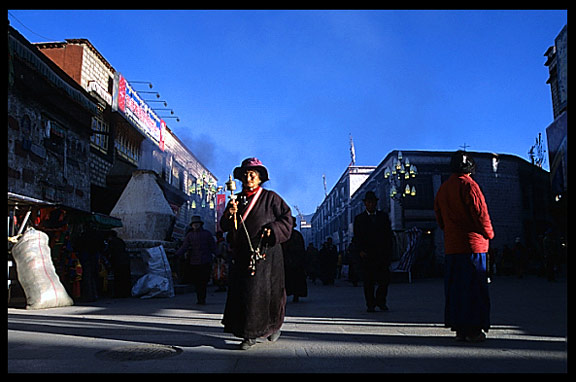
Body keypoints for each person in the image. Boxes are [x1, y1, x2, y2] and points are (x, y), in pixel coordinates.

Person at [220, 157, 293, 350]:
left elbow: (287, 218)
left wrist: (273, 228)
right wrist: (230, 214)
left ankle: (262, 330)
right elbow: (225, 226)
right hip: (242, 253)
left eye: (253, 174)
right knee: (244, 293)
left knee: (263, 292)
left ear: (260, 178)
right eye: (245, 174)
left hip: (265, 253)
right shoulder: (235, 200)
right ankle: (245, 330)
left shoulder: (271, 198)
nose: (249, 177)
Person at [434, 150, 494, 342]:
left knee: (456, 290)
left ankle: (460, 329)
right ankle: (475, 330)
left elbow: (440, 219)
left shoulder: (443, 189)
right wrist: (489, 234)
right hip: (472, 247)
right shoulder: (469, 185)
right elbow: (480, 214)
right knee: (475, 289)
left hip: (452, 248)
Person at [352, 191, 394, 312]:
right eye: (368, 202)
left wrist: (389, 252)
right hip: (367, 255)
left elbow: (388, 235)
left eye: (373, 202)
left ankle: (381, 301)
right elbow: (357, 237)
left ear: (376, 203)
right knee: (368, 282)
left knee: (384, 281)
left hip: (381, 254)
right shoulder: (359, 219)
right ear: (365, 204)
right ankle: (370, 304)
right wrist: (360, 250)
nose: (371, 204)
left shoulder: (383, 217)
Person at [175, 215, 216, 305]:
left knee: (204, 281)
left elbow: (212, 246)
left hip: (205, 260)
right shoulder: (190, 235)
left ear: (200, 224)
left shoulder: (207, 234)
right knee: (197, 281)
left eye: (197, 224)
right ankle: (199, 298)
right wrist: (177, 254)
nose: (195, 225)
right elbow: (184, 247)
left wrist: (217, 255)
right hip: (194, 261)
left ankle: (202, 298)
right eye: (194, 224)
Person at [282, 219, 308, 302]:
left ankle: (295, 295)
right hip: (289, 261)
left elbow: (301, 249)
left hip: (295, 262)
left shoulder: (295, 235)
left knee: (294, 280)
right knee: (289, 280)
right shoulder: (289, 235)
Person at [106, 230, 131, 298]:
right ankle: (126, 293)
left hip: (118, 262)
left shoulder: (112, 242)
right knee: (125, 278)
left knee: (119, 278)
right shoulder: (120, 241)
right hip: (125, 261)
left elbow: (110, 252)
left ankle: (119, 293)